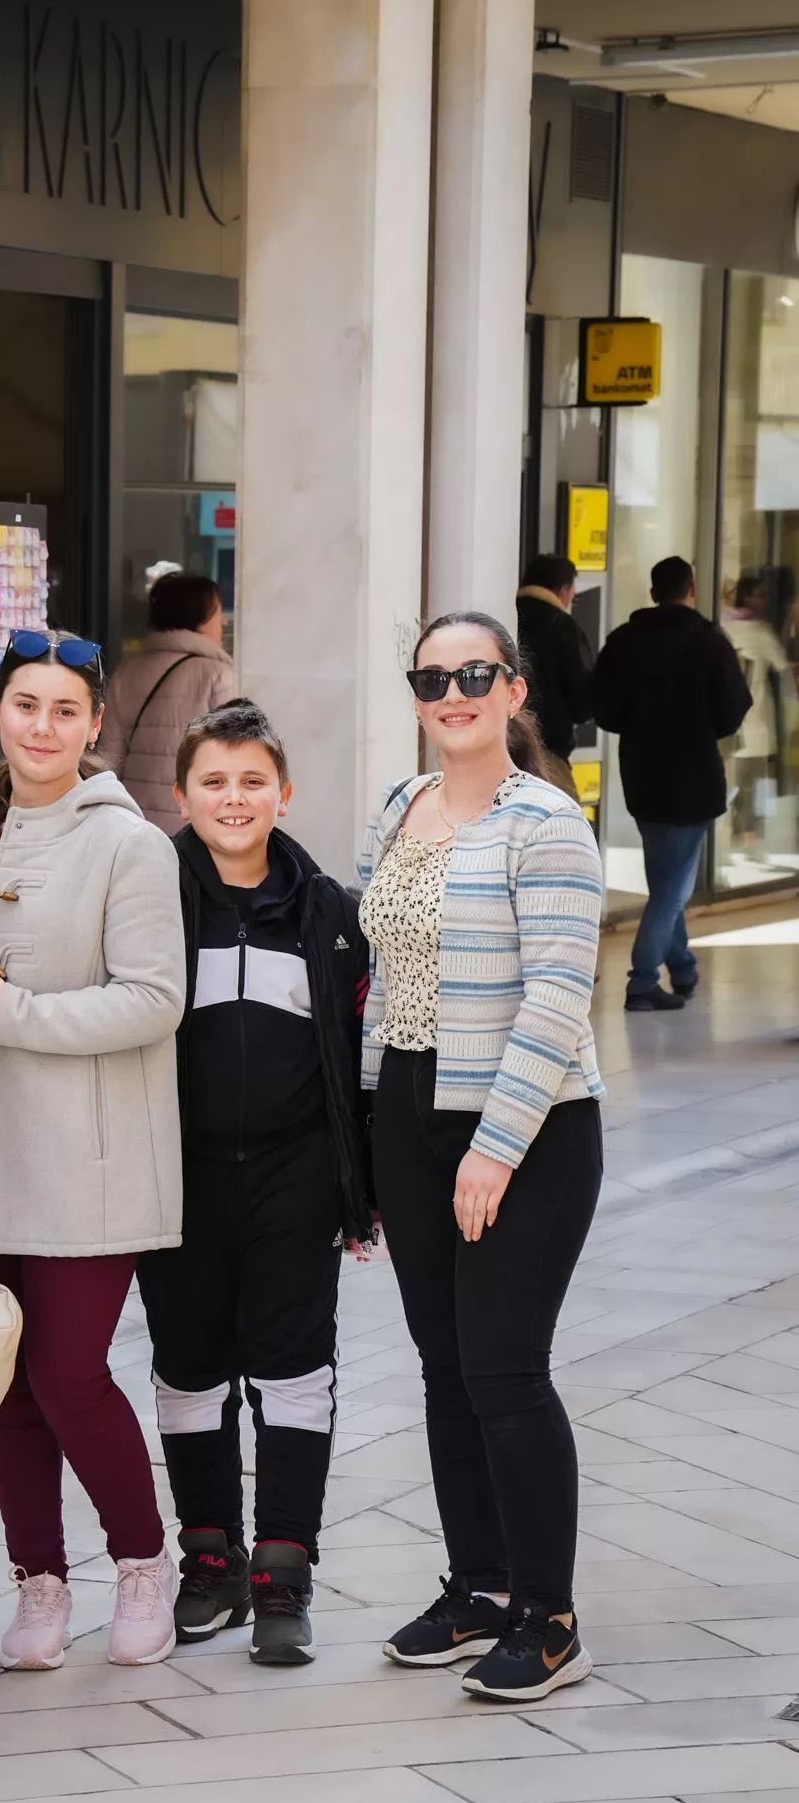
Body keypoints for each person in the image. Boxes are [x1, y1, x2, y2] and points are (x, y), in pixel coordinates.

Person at [0, 629, 186, 1671]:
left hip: (89, 1150)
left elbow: (154, 1000)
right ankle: (38, 1581)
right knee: (0, 1368)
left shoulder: (129, 844)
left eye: (65, 710)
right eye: (25, 704)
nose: (42, 726)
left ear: (94, 723)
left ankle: (142, 1562)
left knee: (68, 1373)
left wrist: (6, 1013)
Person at [357, 612, 604, 1702]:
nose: (450, 693)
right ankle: (479, 1586)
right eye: (430, 678)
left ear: (511, 689)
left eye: (472, 674)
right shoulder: (397, 807)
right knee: (444, 1366)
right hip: (409, 1110)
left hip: (528, 1123)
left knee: (503, 1367)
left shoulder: (545, 821)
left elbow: (556, 996)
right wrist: (373, 1133)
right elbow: (377, 981)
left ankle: (550, 1619)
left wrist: (493, 1147)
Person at [138, 701, 373, 1666]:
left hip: (295, 1172)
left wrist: (361, 1189)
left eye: (251, 782)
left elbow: (357, 1059)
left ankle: (283, 1574)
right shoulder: (146, 897)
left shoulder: (330, 912)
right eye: (213, 782)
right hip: (175, 1175)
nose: (232, 799)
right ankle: (210, 1561)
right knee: (188, 1370)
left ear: (284, 794)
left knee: (294, 1372)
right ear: (181, 794)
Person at [591, 555, 751, 1011]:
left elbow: (602, 709)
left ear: (652, 592)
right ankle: (643, 980)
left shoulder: (623, 641)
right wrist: (699, 726)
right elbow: (734, 709)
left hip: (642, 775)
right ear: (691, 590)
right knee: (672, 888)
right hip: (693, 777)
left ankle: (682, 968)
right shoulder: (708, 641)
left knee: (665, 878)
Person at [99, 572, 235, 833]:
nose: (224, 621)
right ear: (198, 619)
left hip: (135, 826)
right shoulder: (219, 676)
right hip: (194, 830)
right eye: (217, 612)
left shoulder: (128, 671)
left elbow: (109, 762)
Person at [721, 573, 796, 852]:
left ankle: (733, 836)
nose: (765, 601)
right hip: (755, 719)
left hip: (727, 720)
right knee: (752, 782)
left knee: (735, 781)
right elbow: (782, 665)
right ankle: (748, 838)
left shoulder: (722, 627)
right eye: (760, 595)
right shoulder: (759, 631)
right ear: (748, 598)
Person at [514, 553, 592, 801]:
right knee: (565, 819)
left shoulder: (507, 615)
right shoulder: (563, 626)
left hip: (506, 744)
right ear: (562, 591)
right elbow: (582, 703)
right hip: (548, 752)